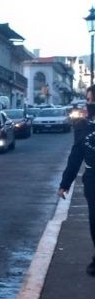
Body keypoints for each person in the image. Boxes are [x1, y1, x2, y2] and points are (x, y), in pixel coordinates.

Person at [59, 86, 95, 275]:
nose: (90, 104)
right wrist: (65, 183)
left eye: (93, 100)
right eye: (88, 100)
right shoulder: (82, 126)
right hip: (92, 178)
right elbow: (75, 156)